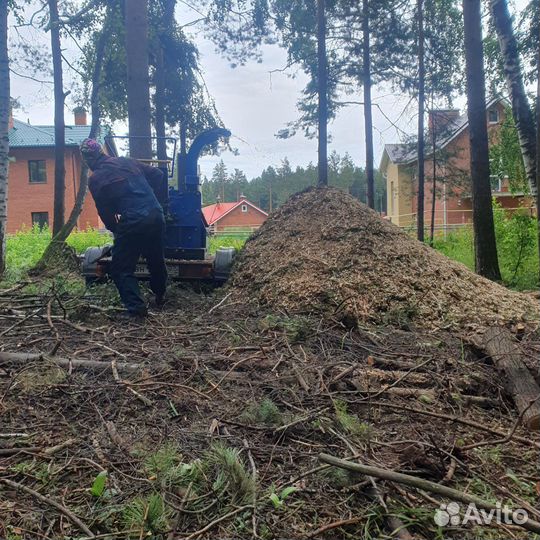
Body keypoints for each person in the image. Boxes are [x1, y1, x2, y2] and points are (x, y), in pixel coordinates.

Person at [80, 138, 168, 319]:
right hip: (156, 216)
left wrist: (116, 228)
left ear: (87, 159)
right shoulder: (126, 161)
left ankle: (136, 310)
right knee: (156, 260)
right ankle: (159, 296)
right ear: (102, 152)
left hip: (133, 220)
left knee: (120, 268)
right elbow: (159, 175)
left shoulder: (96, 179)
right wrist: (157, 202)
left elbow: (104, 211)